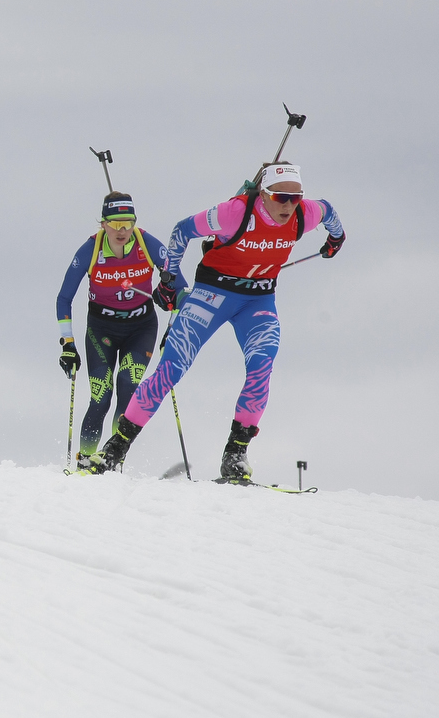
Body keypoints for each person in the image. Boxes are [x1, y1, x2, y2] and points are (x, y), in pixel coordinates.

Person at [86, 162, 345, 480]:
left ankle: (236, 454)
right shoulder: (234, 213)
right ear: (264, 194)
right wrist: (168, 280)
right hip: (212, 295)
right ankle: (114, 450)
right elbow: (182, 230)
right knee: (171, 369)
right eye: (280, 198)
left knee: (262, 365)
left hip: (258, 301)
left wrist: (336, 239)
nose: (288, 206)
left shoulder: (305, 213)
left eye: (295, 198)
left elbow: (329, 211)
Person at [56, 192, 187, 471]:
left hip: (141, 328)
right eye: (115, 224)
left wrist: (172, 330)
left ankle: (112, 460)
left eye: (128, 223)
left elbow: (182, 292)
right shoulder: (90, 250)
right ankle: (85, 461)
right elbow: (64, 298)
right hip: (101, 329)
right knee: (100, 396)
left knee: (128, 389)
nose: (122, 230)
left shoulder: (146, 243)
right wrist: (68, 344)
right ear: (103, 223)